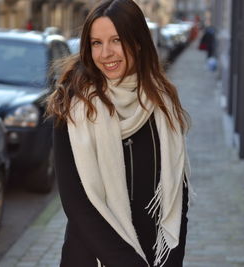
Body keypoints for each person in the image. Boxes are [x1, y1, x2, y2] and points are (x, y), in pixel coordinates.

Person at [46, 0, 191, 266]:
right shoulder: (72, 106)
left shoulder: (162, 103)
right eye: (96, 43)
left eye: (116, 40)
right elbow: (77, 205)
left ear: (137, 42)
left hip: (155, 255)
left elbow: (177, 198)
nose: (106, 53)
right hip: (91, 257)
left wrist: (172, 259)